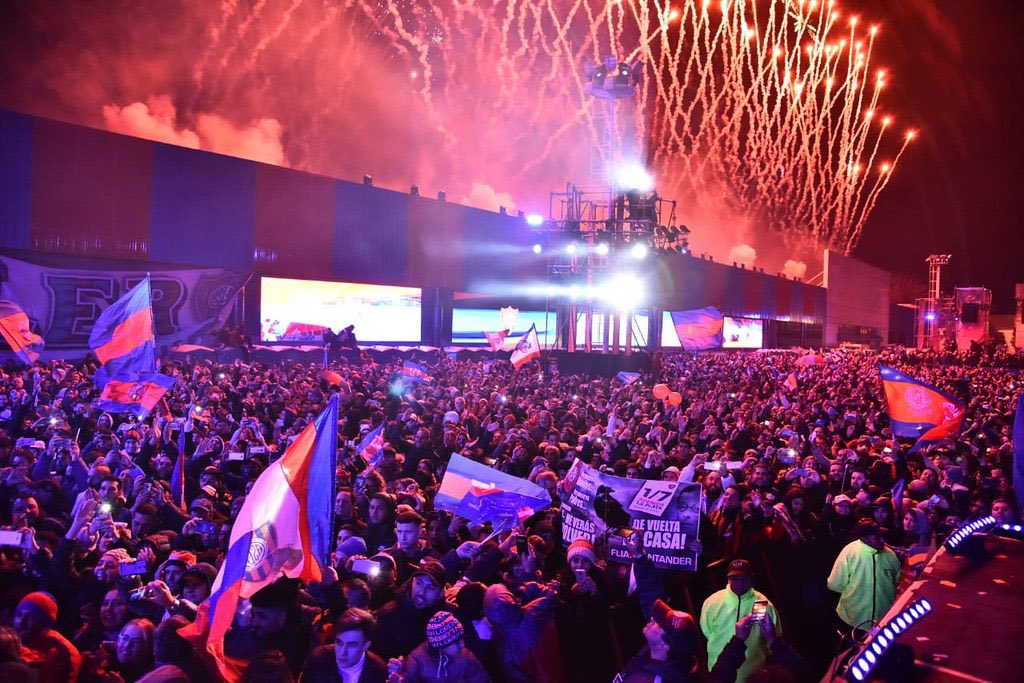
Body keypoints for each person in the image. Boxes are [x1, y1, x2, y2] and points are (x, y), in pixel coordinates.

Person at [699, 560, 780, 683]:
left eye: (744, 579)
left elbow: (774, 640)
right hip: (720, 677)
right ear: (728, 579)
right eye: (734, 579)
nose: (739, 583)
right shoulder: (712, 602)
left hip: (753, 678)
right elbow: (706, 630)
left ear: (751, 579)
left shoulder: (764, 604)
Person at [827, 520, 900, 638]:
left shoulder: (890, 555)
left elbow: (835, 584)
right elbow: (834, 584)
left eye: (881, 536)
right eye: (876, 538)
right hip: (854, 620)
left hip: (880, 619)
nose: (882, 541)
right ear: (864, 539)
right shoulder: (850, 551)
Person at [386, 611, 490, 683]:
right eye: (457, 642)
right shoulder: (417, 659)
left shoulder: (466, 656)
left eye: (462, 638)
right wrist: (399, 678)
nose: (463, 644)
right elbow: (405, 680)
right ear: (441, 644)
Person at [614, 599, 697, 683]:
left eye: (659, 623)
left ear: (663, 645)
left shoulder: (656, 679)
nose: (652, 619)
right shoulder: (647, 656)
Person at [300, 608, 387, 683]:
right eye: (339, 642)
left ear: (365, 646)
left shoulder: (379, 670)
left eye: (352, 645)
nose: (342, 652)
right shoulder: (318, 660)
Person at [13, 591, 82, 683]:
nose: (20, 622)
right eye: (19, 614)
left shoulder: (63, 652)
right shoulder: (11, 638)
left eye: (31, 617)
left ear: (46, 622)